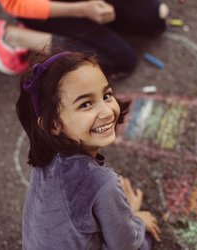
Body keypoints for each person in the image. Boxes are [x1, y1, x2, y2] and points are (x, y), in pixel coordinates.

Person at [16, 51, 161, 249]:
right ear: (53, 124)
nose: (107, 111)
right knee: (143, 242)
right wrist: (137, 219)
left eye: (106, 95)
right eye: (86, 104)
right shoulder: (101, 182)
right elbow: (124, 245)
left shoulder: (46, 157)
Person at [0, 0, 169, 77]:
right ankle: (12, 36)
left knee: (156, 19)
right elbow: (15, 2)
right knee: (120, 61)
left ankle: (98, 31)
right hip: (43, 7)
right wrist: (82, 9)